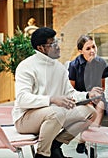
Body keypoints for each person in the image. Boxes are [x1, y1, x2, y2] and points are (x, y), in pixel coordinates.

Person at [13, 27, 100, 158]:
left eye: (57, 41)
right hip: (25, 119)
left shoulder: (59, 67)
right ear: (41, 48)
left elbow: (70, 93)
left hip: (53, 116)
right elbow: (22, 99)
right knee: (56, 111)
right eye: (53, 44)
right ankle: (42, 154)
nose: (58, 46)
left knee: (89, 113)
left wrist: (88, 95)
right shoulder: (26, 66)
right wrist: (52, 99)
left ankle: (55, 146)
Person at [68, 35, 108, 157]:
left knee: (101, 105)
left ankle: (86, 141)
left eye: (93, 46)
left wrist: (96, 94)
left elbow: (102, 87)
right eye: (88, 48)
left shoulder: (102, 63)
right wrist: (86, 97)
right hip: (80, 98)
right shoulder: (73, 65)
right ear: (81, 51)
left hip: (97, 98)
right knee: (90, 107)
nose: (92, 50)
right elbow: (71, 90)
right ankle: (87, 142)